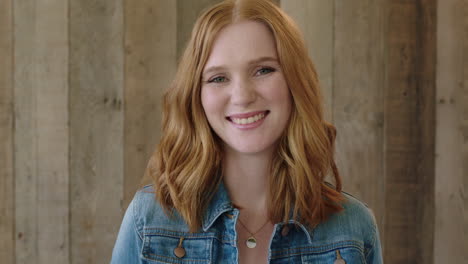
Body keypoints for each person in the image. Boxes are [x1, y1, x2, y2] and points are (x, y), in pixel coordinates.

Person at [111, 0, 383, 263]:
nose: (242, 96)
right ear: (196, 96)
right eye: (218, 78)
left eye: (263, 70)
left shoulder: (354, 229)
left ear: (295, 82)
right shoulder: (148, 220)